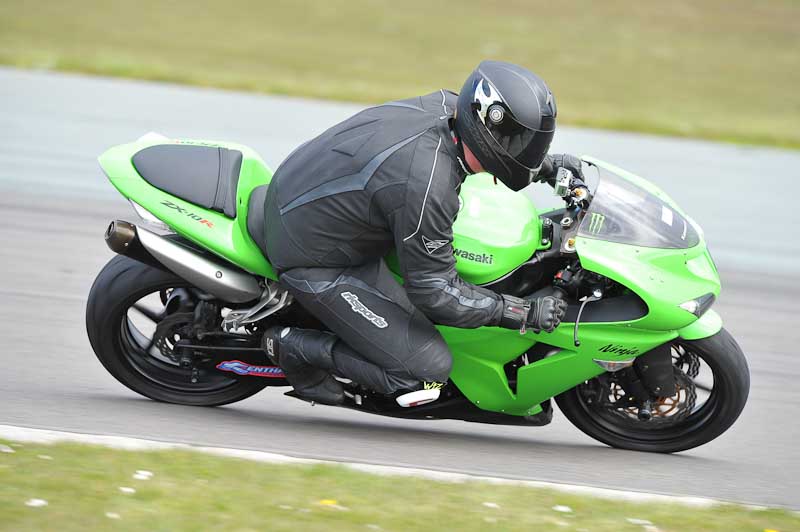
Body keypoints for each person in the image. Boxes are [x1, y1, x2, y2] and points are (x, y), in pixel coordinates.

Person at [260, 60, 582, 406]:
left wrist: (547, 167)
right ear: (489, 132)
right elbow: (436, 292)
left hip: (307, 196)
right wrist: (519, 312)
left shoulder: (449, 107)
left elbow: (497, 150)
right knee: (427, 369)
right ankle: (295, 348)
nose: (530, 151)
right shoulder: (427, 187)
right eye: (525, 143)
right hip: (316, 256)